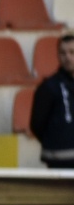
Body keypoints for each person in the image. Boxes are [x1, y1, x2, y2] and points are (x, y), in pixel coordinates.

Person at [29, 34, 74, 170]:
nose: (68, 57)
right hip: (58, 163)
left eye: (72, 52)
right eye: (62, 53)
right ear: (58, 56)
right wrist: (55, 141)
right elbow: (37, 124)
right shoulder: (48, 87)